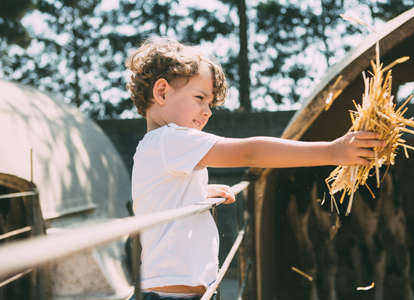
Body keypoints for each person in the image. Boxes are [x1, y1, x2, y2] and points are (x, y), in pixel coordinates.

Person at [126, 37, 384, 300]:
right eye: (200, 98)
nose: (207, 112)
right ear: (162, 92)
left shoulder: (156, 146)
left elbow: (157, 200)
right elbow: (251, 152)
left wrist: (194, 193)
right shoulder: (172, 139)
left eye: (210, 103)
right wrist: (332, 152)